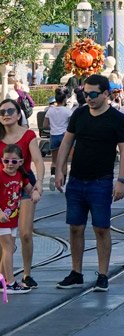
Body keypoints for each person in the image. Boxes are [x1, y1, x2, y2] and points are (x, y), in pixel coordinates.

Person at [53, 74, 124, 293]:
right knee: (75, 227)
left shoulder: (116, 118)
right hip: (77, 180)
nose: (89, 98)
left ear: (106, 94)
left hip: (102, 181)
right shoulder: (79, 114)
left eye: (94, 94)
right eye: (85, 94)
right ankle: (76, 272)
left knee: (101, 228)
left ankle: (103, 275)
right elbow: (66, 143)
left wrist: (121, 180)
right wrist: (59, 171)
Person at [0, 93, 45, 290]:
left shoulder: (28, 135)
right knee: (4, 237)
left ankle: (27, 273)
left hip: (23, 186)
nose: (6, 114)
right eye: (2, 112)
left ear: (18, 114)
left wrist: (40, 183)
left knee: (25, 233)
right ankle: (4, 277)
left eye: (10, 111)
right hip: (2, 188)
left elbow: (37, 160)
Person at [1, 143, 35, 294]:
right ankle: (10, 282)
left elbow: (29, 189)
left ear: (20, 162)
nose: (10, 164)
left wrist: (36, 192)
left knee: (8, 249)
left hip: (12, 219)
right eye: (6, 161)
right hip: (2, 219)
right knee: (8, 248)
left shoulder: (20, 174)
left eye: (14, 161)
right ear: (2, 160)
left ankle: (2, 280)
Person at [47, 88, 73, 181]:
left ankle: (53, 176)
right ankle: (63, 181)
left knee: (54, 160)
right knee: (64, 160)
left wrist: (53, 127)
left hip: (53, 135)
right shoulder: (68, 111)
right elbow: (71, 125)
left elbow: (45, 124)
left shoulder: (50, 110)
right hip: (64, 136)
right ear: (64, 100)